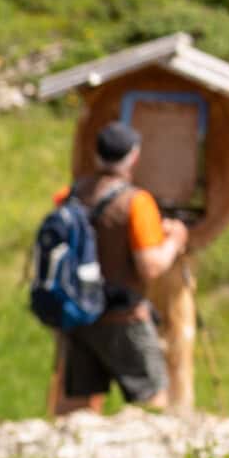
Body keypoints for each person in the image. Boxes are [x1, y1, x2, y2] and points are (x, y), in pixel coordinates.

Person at [53, 120, 188, 414]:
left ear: (96, 154)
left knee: (76, 408)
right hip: (124, 318)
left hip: (78, 317)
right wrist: (175, 241)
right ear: (134, 157)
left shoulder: (70, 195)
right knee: (152, 402)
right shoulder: (137, 202)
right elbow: (150, 266)